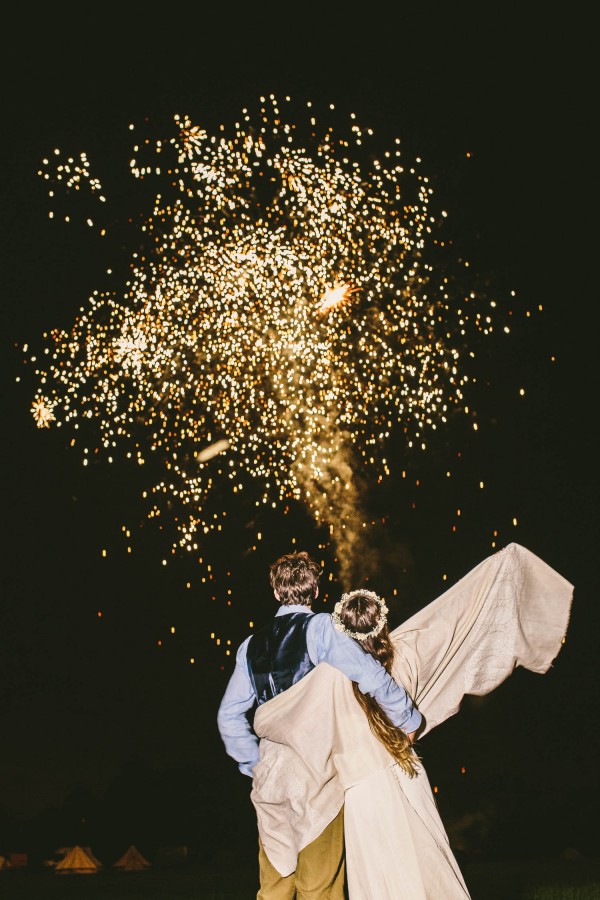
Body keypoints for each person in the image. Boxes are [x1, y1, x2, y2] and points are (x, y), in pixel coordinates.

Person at [249, 543, 574, 899]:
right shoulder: (404, 655)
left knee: (378, 877)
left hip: (359, 790)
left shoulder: (329, 677)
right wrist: (496, 576)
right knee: (421, 862)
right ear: (381, 622)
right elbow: (447, 624)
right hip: (406, 774)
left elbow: (293, 720)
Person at [217, 550, 422, 899]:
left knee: (274, 887)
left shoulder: (249, 646)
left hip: (271, 781)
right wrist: (407, 717)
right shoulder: (322, 627)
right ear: (314, 591)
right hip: (317, 775)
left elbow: (228, 717)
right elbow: (369, 674)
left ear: (276, 592)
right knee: (319, 886)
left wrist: (254, 765)